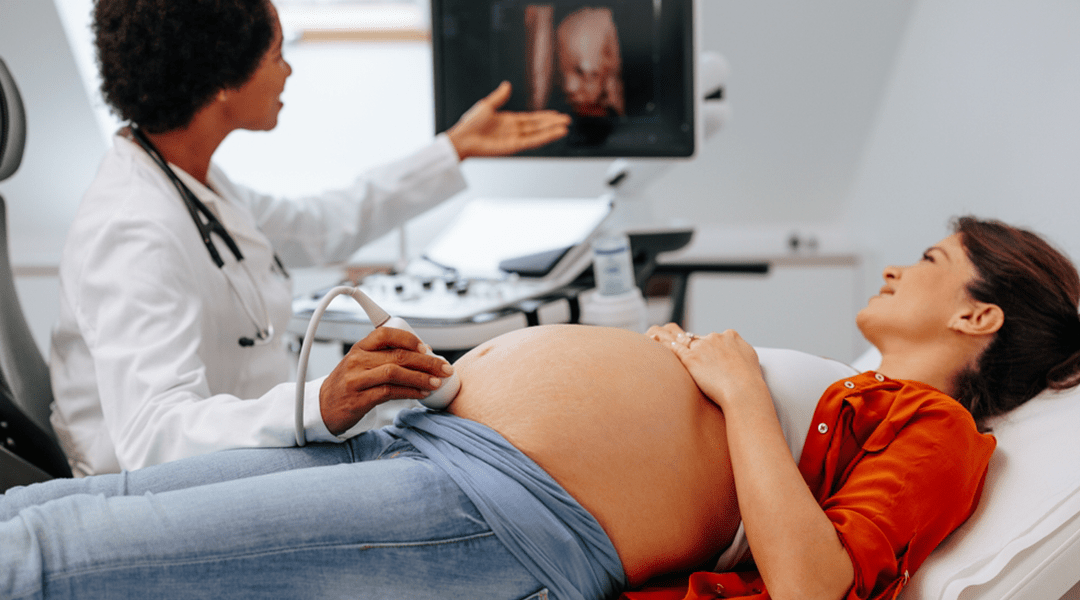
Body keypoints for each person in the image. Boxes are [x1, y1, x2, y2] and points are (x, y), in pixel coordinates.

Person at [5, 216, 1079, 600]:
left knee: (64, 557)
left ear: (981, 321)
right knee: (66, 514)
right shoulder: (854, 387)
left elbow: (810, 584)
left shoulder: (940, 430)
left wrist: (740, 390)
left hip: (511, 511)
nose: (901, 265)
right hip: (436, 442)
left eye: (933, 261)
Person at [48, 0, 571, 477]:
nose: (288, 69)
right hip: (165, 510)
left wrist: (452, 148)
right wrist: (320, 403)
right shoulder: (131, 229)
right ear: (223, 75)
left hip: (244, 469)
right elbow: (153, 439)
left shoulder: (186, 179)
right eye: (277, 54)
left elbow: (318, 226)